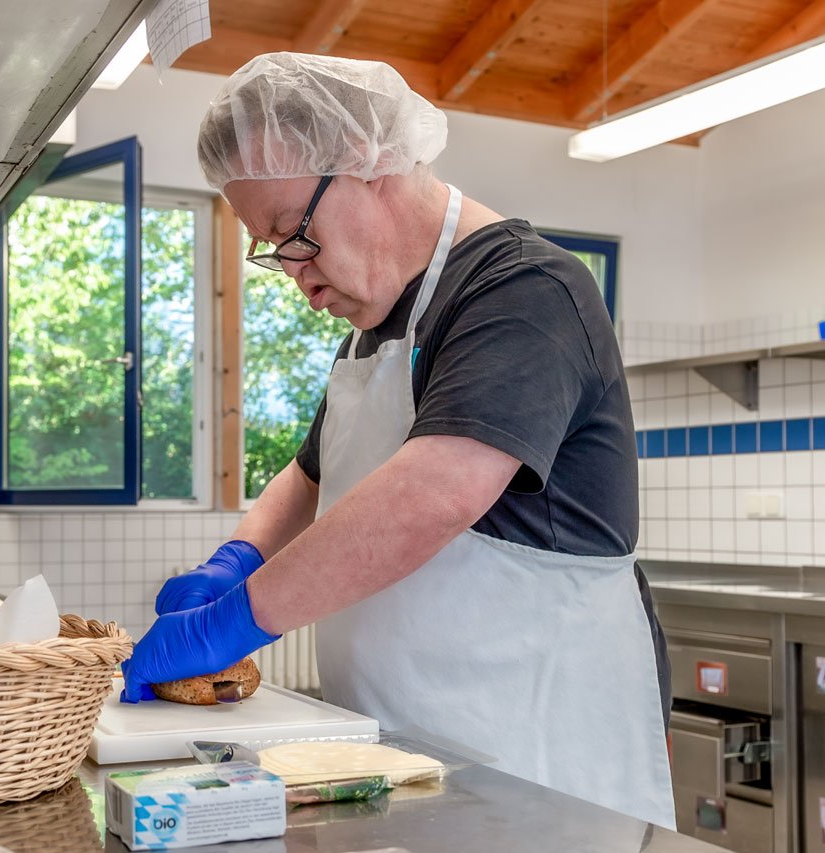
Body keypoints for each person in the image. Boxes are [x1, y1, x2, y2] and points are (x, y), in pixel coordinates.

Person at [120, 52, 676, 829]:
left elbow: (434, 493)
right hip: (408, 755)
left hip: (534, 754)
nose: (293, 273)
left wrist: (236, 618)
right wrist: (232, 560)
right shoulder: (372, 322)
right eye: (268, 248)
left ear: (368, 163)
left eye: (293, 235)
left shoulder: (522, 290)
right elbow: (311, 476)